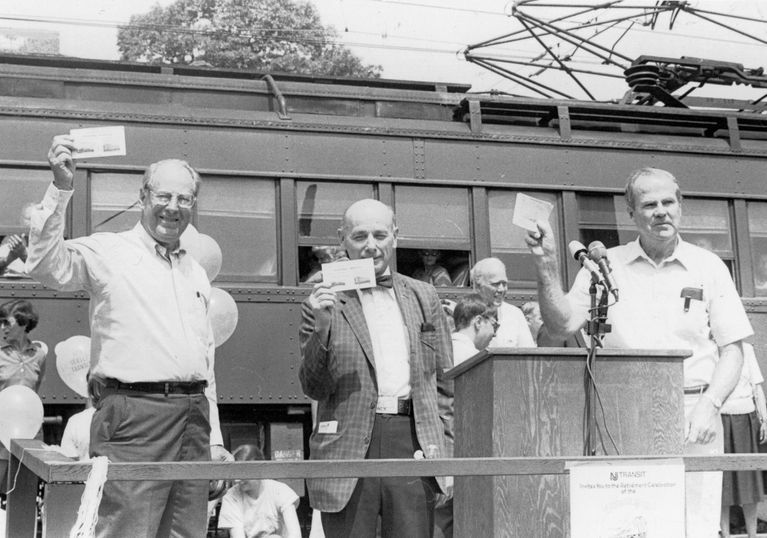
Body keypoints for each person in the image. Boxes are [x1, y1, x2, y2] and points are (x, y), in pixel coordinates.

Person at [524, 167, 753, 538]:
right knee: (622, 523)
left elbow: (733, 350)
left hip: (692, 415)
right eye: (649, 204)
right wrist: (546, 264)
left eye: (668, 202)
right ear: (631, 212)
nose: (661, 211)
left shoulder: (708, 266)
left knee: (695, 526)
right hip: (619, 414)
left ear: (681, 206)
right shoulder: (603, 265)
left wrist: (711, 405)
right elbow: (561, 325)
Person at [26, 136, 232, 537]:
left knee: (185, 531)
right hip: (133, 415)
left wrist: (216, 439)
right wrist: (61, 187)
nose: (173, 207)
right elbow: (45, 265)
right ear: (143, 196)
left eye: (185, 199)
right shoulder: (110, 251)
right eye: (164, 195)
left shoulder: (196, 272)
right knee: (127, 530)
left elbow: (205, 361)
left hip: (194, 418)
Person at [299, 198, 454, 538]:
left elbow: (445, 384)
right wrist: (322, 327)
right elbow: (313, 386)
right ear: (343, 239)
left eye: (380, 234)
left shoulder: (425, 296)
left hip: (412, 440)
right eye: (359, 236)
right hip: (348, 446)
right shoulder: (321, 298)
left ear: (395, 237)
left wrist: (447, 453)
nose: (371, 245)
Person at [0, 299, 47, 501]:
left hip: (30, 433)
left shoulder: (40, 356)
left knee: (23, 494)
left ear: (24, 323)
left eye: (6, 322)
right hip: (1, 434)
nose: (2, 328)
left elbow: (35, 392)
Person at [720, 342, 766, 538]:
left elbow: (757, 387)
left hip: (747, 419)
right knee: (722, 481)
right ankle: (725, 533)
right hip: (720, 420)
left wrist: (764, 419)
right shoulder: (710, 348)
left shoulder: (747, 349)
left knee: (750, 480)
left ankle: (752, 534)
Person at [217, 444, 301, 538]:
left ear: (259, 470)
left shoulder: (280, 490)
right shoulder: (231, 496)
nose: (237, 480)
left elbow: (295, 534)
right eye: (235, 473)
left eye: (242, 474)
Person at [470, 257, 535, 348]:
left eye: (504, 284)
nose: (501, 289)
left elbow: (529, 353)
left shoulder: (515, 314)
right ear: (478, 286)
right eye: (495, 284)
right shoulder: (466, 313)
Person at [451, 294, 498, 365]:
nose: (495, 334)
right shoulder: (475, 359)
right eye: (494, 326)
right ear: (478, 322)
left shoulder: (442, 352)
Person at [0, 203, 35, 277]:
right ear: (21, 220)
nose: (33, 222)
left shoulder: (48, 245)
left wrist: (23, 255)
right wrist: (8, 259)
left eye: (37, 219)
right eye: (29, 219)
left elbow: (48, 275)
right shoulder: (11, 242)